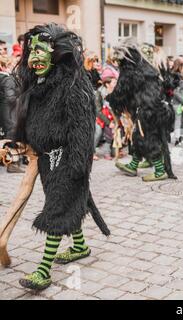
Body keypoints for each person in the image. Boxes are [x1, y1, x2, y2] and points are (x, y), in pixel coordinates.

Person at [13, 23, 110, 291]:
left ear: (57, 54)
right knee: (64, 203)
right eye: (32, 51)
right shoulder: (40, 84)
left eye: (42, 51)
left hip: (66, 161)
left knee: (56, 208)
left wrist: (76, 169)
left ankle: (43, 271)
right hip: (47, 160)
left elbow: (83, 131)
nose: (35, 58)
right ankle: (79, 245)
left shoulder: (75, 86)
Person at [107, 39, 176, 181]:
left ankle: (159, 171)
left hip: (148, 109)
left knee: (148, 138)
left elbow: (121, 90)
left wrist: (111, 98)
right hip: (154, 108)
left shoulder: (130, 69)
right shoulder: (143, 66)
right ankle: (133, 165)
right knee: (139, 136)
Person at [0, 56, 23, 173]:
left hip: (6, 112)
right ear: (4, 66)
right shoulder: (8, 79)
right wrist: (19, 96)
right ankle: (12, 164)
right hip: (10, 112)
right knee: (12, 137)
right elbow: (10, 98)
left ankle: (13, 163)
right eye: (10, 65)